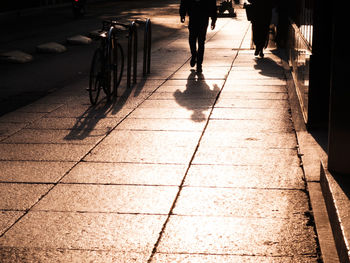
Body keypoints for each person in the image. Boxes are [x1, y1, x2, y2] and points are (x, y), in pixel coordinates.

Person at [180, 0, 217, 73]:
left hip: (203, 16)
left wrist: (213, 19)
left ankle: (199, 63)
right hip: (194, 16)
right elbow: (184, 2)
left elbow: (212, 5)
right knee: (192, 39)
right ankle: (194, 55)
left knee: (200, 41)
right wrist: (182, 14)